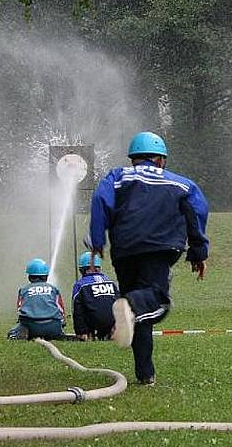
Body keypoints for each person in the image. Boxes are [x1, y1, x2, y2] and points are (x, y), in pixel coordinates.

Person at [88, 131, 209, 386]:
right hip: (159, 249)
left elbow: (100, 199)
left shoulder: (116, 176)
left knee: (137, 316)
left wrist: (98, 240)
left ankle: (146, 375)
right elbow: (197, 212)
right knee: (157, 302)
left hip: (124, 252)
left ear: (133, 158)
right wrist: (198, 252)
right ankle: (130, 303)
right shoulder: (181, 184)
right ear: (161, 160)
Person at [7, 258, 67, 340]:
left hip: (31, 327)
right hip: (53, 327)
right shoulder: (53, 289)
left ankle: (17, 334)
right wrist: (61, 323)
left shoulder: (24, 290)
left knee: (13, 332)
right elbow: (61, 310)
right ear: (46, 276)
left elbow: (20, 310)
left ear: (29, 277)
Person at [72, 251, 119, 341]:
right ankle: (111, 332)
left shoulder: (80, 285)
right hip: (112, 323)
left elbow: (77, 310)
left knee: (83, 306)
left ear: (82, 270)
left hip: (93, 323)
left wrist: (80, 332)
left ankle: (89, 334)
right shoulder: (110, 282)